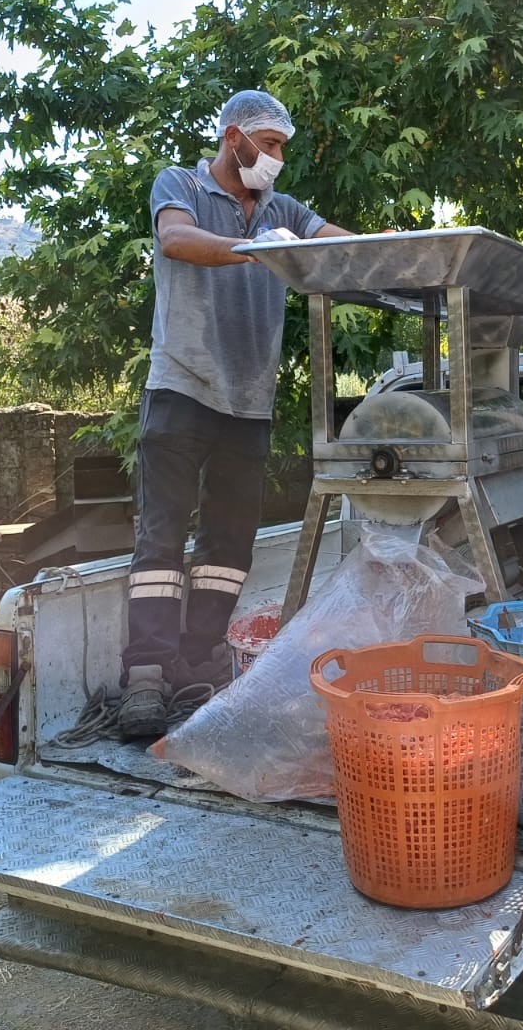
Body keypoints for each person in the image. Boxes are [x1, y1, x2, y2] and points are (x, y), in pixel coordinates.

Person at [117, 90, 352, 736]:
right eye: (268, 145)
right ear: (233, 138)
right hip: (181, 388)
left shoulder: (282, 209)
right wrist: (255, 250)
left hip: (249, 402)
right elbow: (175, 239)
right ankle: (145, 677)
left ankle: (198, 666)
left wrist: (389, 249)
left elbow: (335, 244)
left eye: (281, 148)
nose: (276, 158)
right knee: (161, 539)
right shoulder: (182, 185)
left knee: (227, 546)